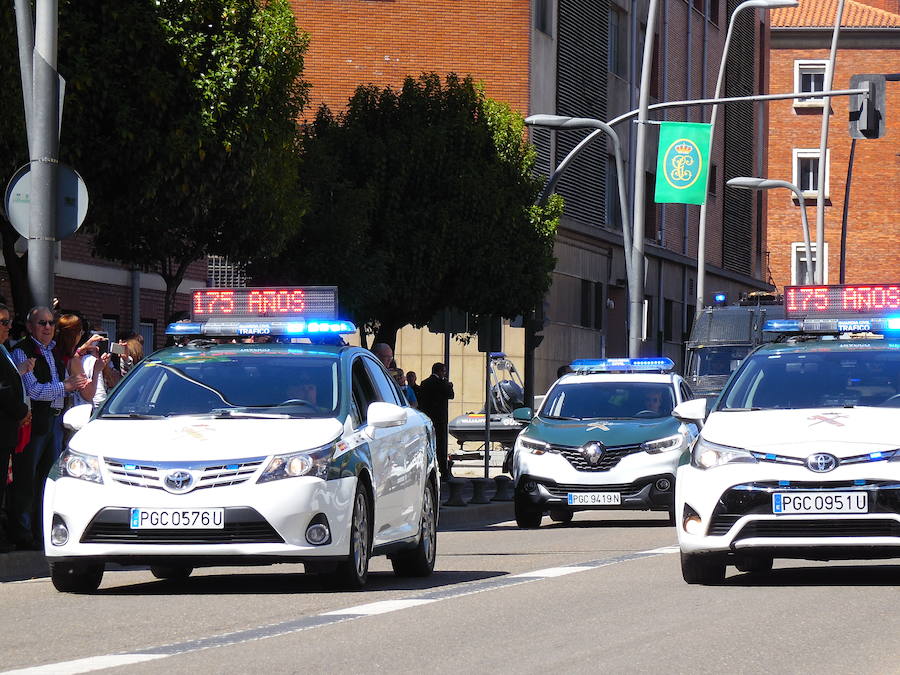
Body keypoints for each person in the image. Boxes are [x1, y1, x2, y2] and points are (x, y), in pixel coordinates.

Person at [10, 307, 87, 548]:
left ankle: (42, 531)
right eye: (41, 323)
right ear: (30, 326)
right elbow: (34, 390)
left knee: (47, 480)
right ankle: (21, 533)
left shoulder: (54, 351)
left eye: (51, 323)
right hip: (33, 423)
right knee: (26, 479)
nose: (47, 327)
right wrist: (65, 387)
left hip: (54, 422)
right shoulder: (22, 351)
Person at [0, 304, 31, 552]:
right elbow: (2, 392)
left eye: (9, 321)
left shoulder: (4, 350)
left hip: (8, 430)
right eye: (2, 322)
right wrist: (21, 411)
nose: (8, 326)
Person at [417, 362, 455, 481]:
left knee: (428, 444)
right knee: (440, 445)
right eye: (443, 371)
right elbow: (451, 395)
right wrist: (449, 385)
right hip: (440, 418)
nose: (444, 374)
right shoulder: (442, 383)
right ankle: (443, 471)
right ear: (439, 371)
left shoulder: (424, 383)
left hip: (428, 418)